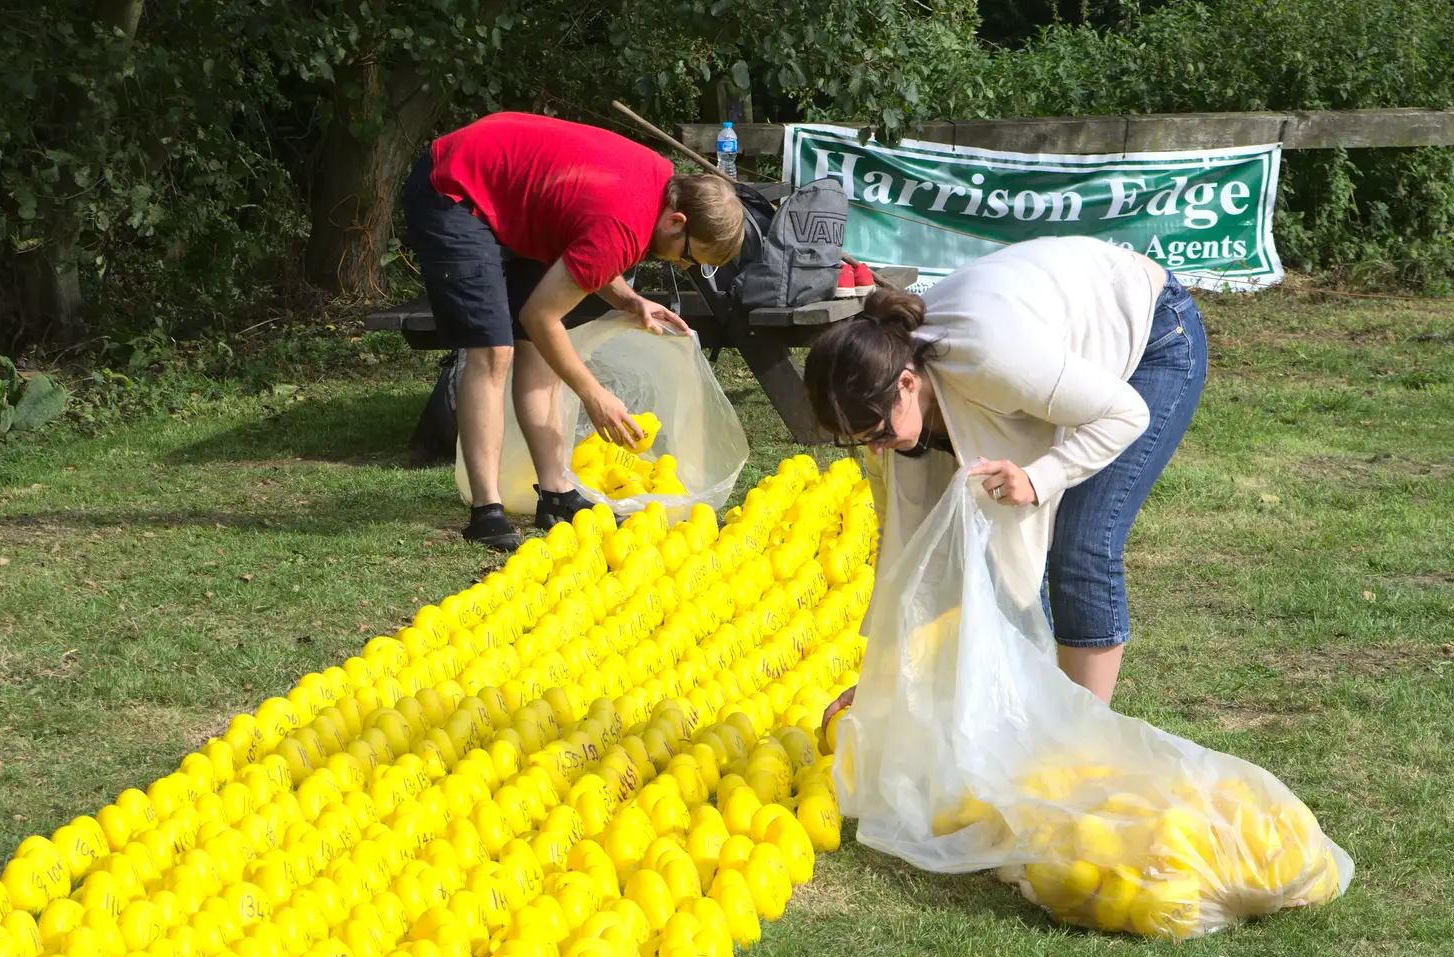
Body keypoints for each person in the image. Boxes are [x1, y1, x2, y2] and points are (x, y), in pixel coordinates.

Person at [806, 235, 1207, 716]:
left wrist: (1040, 477)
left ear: (907, 384)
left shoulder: (994, 359)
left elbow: (1125, 414)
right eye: (858, 440)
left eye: (876, 432)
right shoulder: (884, 408)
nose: (873, 447)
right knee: (989, 548)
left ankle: (1083, 735)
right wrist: (882, 678)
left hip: (1149, 337)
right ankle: (1023, 716)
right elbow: (908, 558)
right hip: (1051, 360)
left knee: (1081, 543)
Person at [403, 112, 745, 551]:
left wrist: (629, 300)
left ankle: (556, 494)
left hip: (518, 202)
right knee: (494, 352)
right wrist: (593, 394)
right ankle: (486, 511)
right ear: (677, 221)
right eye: (690, 256)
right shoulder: (627, 223)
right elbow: (540, 315)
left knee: (539, 353)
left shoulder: (657, 188)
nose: (683, 266)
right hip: (454, 187)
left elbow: (587, 251)